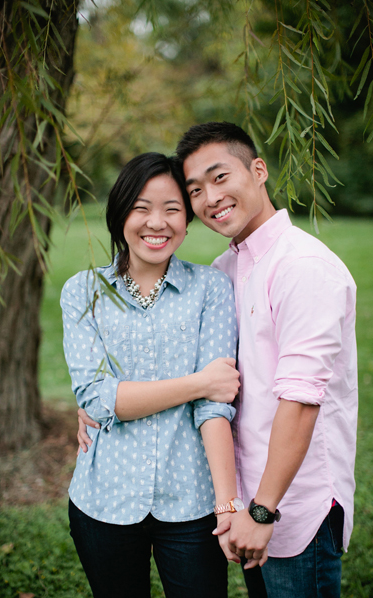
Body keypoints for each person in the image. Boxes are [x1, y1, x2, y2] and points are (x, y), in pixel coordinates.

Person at [79, 122, 358, 598]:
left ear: (258, 170)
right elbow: (199, 374)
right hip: (244, 505)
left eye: (220, 177)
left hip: (292, 505)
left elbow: (301, 400)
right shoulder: (226, 270)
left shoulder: (304, 268)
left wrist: (264, 510)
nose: (210, 197)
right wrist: (94, 401)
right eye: (195, 190)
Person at [61, 152, 243, 598]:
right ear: (120, 213)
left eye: (172, 209)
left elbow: (215, 406)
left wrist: (227, 502)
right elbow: (98, 400)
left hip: (192, 500)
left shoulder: (211, 289)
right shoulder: (83, 292)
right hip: (103, 499)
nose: (155, 223)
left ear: (187, 219)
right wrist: (199, 382)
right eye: (141, 208)